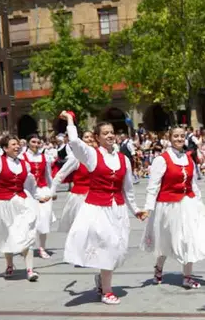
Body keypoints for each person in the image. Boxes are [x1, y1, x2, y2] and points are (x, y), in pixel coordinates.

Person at [60, 112, 146, 305]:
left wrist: (136, 210)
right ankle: (107, 291)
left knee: (117, 250)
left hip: (117, 209)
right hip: (97, 208)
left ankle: (102, 280)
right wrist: (70, 120)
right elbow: (74, 142)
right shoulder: (92, 155)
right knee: (108, 245)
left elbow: (128, 189)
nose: (110, 135)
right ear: (97, 137)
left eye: (112, 132)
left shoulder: (123, 159)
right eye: (105, 133)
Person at [141, 126, 205, 289]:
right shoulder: (161, 160)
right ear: (169, 138)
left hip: (187, 203)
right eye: (176, 136)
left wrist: (201, 205)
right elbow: (153, 186)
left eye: (182, 136)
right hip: (168, 205)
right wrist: (148, 208)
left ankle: (187, 276)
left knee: (188, 239)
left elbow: (193, 184)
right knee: (165, 241)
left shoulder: (188, 159)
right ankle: (158, 268)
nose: (179, 139)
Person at [0, 134, 42, 281]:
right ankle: (10, 264)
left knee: (27, 234)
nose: (17, 146)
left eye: (18, 144)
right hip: (3, 204)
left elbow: (30, 184)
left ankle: (30, 270)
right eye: (13, 144)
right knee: (7, 235)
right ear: (5, 148)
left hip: (21, 203)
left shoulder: (25, 164)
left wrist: (39, 196)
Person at [50, 126, 92, 233]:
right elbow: (60, 175)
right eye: (86, 137)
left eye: (91, 137)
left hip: (97, 196)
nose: (89, 139)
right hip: (80, 197)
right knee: (82, 228)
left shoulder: (99, 155)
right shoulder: (76, 157)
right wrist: (52, 192)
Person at [22, 134, 55, 259]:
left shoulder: (45, 157)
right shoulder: (22, 157)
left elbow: (48, 176)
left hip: (42, 189)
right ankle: (27, 246)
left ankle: (42, 248)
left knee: (44, 218)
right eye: (33, 142)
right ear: (28, 143)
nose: (36, 144)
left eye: (38, 142)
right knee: (28, 220)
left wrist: (52, 191)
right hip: (28, 191)